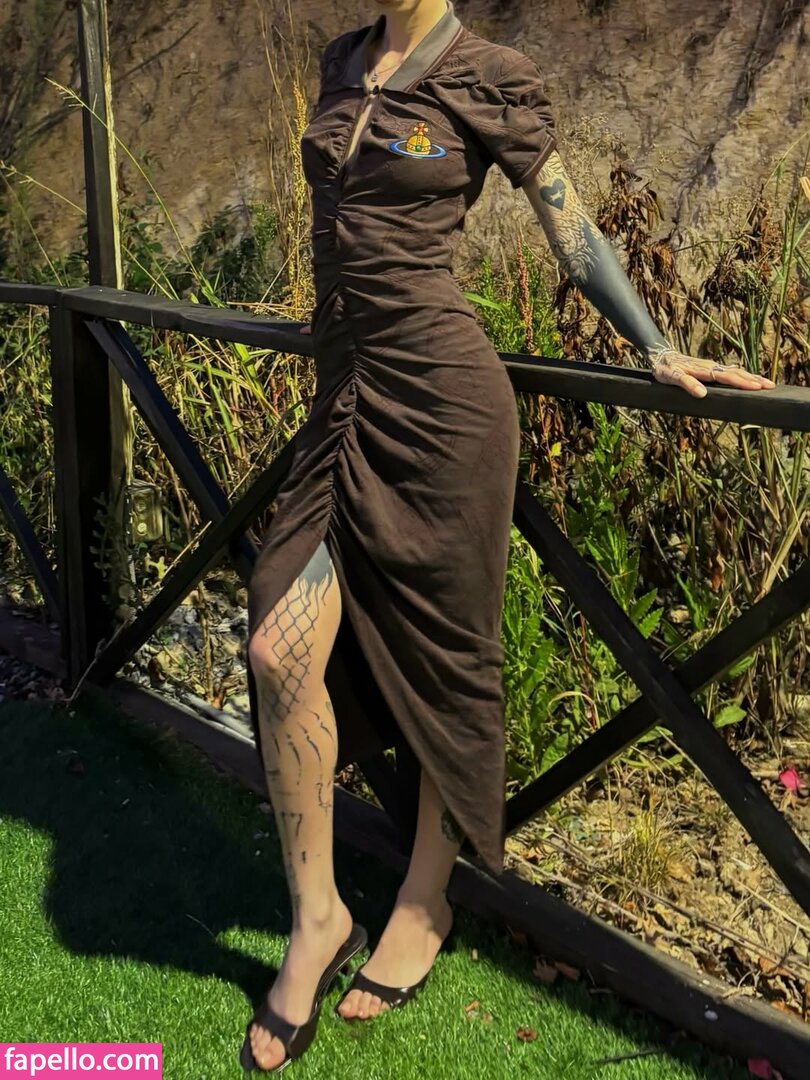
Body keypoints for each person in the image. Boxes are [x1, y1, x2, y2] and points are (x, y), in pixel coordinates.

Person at [239, 0, 776, 1071]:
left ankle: (425, 900)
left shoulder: (488, 74)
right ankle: (318, 918)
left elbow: (568, 227)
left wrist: (654, 342)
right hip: (344, 397)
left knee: (450, 651)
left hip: (444, 403)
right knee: (275, 644)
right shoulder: (344, 59)